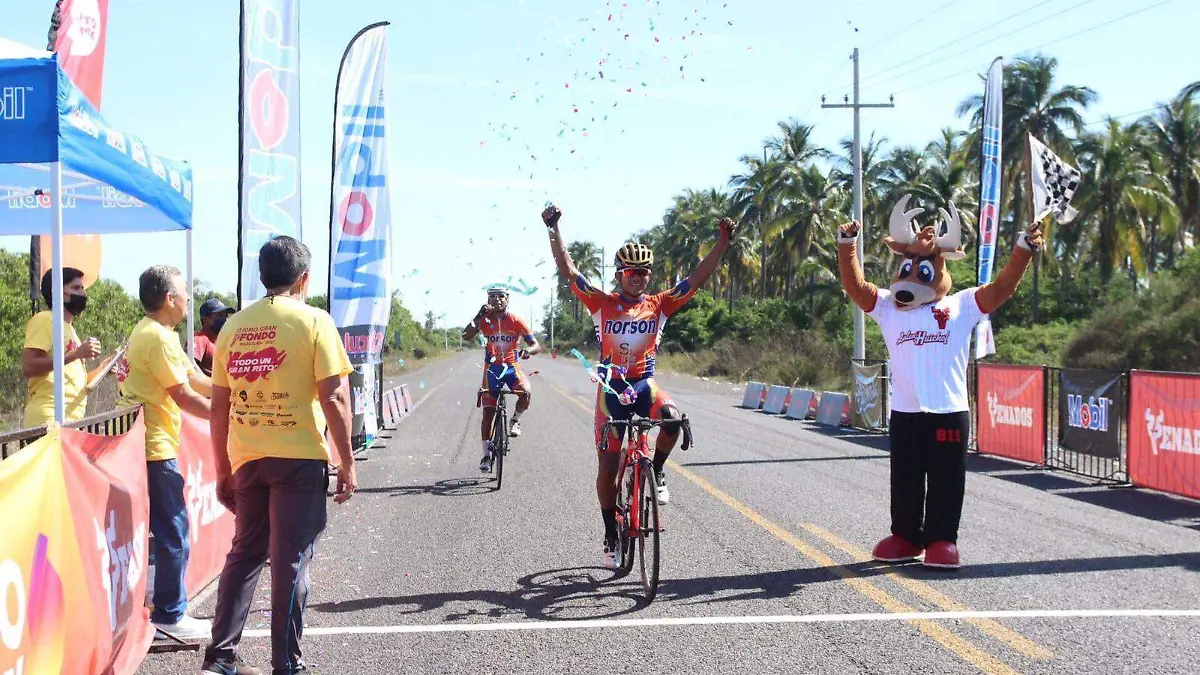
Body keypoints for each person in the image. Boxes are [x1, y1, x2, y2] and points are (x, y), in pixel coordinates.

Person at [836, 195, 1043, 570]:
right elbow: (856, 287)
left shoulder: (960, 305)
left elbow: (1000, 290)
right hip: (905, 411)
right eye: (907, 266)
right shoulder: (887, 307)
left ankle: (942, 539)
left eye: (923, 268)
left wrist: (1022, 250)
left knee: (947, 479)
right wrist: (847, 246)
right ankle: (906, 536)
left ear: (939, 269)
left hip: (948, 412)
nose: (912, 275)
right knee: (905, 477)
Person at [543, 204, 737, 569]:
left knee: (673, 420)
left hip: (645, 385)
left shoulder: (660, 305)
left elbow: (696, 278)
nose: (639, 277)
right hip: (612, 393)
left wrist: (722, 243)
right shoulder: (602, 303)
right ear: (619, 274)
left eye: (644, 272)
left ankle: (657, 469)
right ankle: (609, 531)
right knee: (608, 465)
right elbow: (569, 272)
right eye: (632, 271)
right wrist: (554, 229)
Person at [202, 236, 356, 675]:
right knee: (290, 559)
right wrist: (346, 461)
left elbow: (218, 405)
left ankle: (220, 658)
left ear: (262, 276)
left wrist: (222, 469)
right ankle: (286, 664)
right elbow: (336, 399)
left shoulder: (231, 327)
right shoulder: (314, 321)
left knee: (245, 554)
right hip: (299, 459)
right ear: (303, 279)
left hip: (247, 458)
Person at [116, 265, 214, 639]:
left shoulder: (162, 334)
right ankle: (169, 615)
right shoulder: (155, 336)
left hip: (157, 445)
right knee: (173, 531)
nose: (189, 297)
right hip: (154, 450)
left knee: (172, 530)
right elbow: (183, 395)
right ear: (170, 299)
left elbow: (194, 379)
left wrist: (231, 391)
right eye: (185, 291)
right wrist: (230, 415)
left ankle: (169, 609)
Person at [462, 286, 542, 473]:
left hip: (512, 369)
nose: (497, 300)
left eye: (501, 297)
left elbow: (535, 344)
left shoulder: (516, 320)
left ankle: (515, 420)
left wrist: (528, 351)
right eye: (492, 297)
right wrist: (478, 315)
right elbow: (466, 336)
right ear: (488, 300)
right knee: (488, 414)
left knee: (526, 392)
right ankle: (485, 455)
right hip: (492, 370)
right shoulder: (484, 319)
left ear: (508, 300)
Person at [22, 267, 114, 427]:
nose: (83, 294)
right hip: (49, 419)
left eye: (83, 289)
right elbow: (29, 367)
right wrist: (75, 355)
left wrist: (103, 369)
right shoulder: (45, 319)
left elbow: (77, 384)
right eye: (76, 288)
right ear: (56, 291)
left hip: (71, 421)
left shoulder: (70, 329)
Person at [194, 298, 235, 376]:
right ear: (206, 318)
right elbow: (189, 365)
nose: (225, 319)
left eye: (226, 316)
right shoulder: (200, 338)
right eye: (220, 316)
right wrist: (209, 384)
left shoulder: (223, 342)